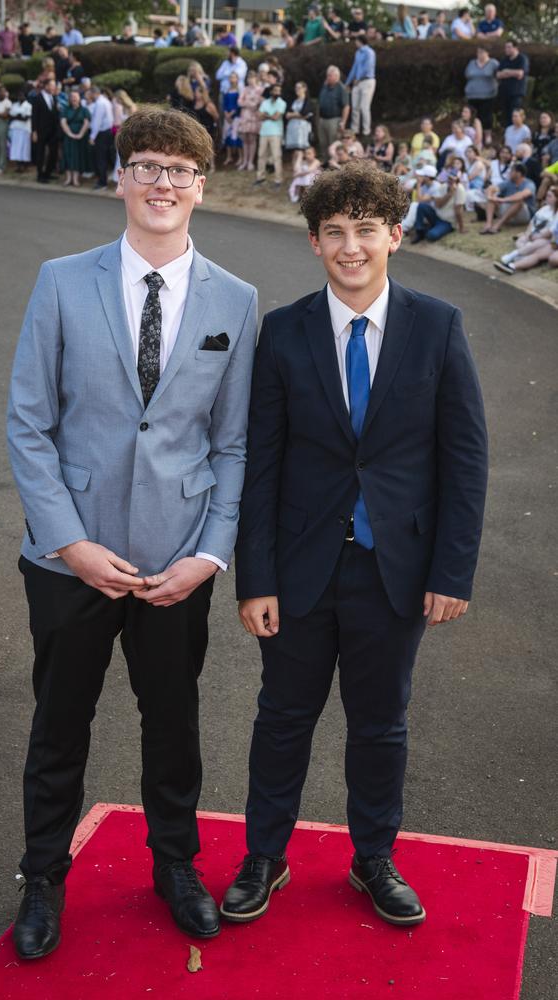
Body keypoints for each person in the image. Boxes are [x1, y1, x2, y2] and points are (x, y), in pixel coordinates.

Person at [7, 107, 257, 956]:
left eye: (180, 171)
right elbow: (29, 424)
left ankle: (176, 864)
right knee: (59, 722)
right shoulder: (60, 279)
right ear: (120, 177)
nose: (162, 183)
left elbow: (234, 442)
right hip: (69, 554)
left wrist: (209, 553)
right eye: (147, 166)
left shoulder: (238, 300)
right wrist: (69, 543)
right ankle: (42, 875)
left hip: (177, 558)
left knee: (174, 722)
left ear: (201, 188)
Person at [221, 161, 487, 929]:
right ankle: (264, 856)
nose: (350, 246)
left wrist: (451, 569)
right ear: (313, 241)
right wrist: (255, 577)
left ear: (395, 237)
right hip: (301, 571)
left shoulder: (438, 327)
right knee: (282, 719)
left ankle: (375, 857)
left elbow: (464, 460)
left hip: (394, 572)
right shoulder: (284, 330)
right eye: (334, 231)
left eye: (366, 230)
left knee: (381, 723)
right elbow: (262, 460)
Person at [494, 186, 558, 274]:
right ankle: (513, 265)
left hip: (546, 241)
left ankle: (514, 258)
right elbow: (535, 224)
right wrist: (528, 234)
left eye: (550, 196)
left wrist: (538, 237)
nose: (546, 197)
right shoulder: (545, 209)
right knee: (532, 250)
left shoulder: (556, 214)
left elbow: (549, 233)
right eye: (547, 195)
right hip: (551, 242)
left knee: (549, 258)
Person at [411, 161, 466, 241]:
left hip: (447, 222)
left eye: (453, 179)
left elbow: (458, 211)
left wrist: (461, 227)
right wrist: (449, 194)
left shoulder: (460, 189)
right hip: (437, 216)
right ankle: (420, 231)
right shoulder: (443, 186)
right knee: (421, 206)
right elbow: (438, 205)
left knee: (431, 236)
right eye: (450, 178)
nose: (451, 181)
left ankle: (428, 229)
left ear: (458, 180)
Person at [481, 161, 536, 234]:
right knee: (491, 200)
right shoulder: (508, 182)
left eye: (512, 171)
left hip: (524, 215)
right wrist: (489, 196)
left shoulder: (529, 183)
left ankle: (497, 225)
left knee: (519, 201)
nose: (509, 173)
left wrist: (501, 199)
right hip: (507, 211)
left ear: (518, 173)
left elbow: (522, 195)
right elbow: (491, 188)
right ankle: (488, 225)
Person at [464, 46, 499, 147]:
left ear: (487, 53)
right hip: (472, 95)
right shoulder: (472, 63)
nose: (480, 55)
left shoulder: (493, 63)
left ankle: (487, 135)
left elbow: (498, 75)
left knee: (486, 115)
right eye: (478, 52)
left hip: (488, 95)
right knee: (474, 116)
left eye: (482, 52)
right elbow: (467, 74)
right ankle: (474, 135)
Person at [254, 82, 286, 189]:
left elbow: (276, 117)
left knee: (276, 157)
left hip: (276, 133)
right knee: (261, 156)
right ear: (271, 91)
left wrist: (265, 115)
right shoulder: (265, 102)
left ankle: (278, 180)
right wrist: (269, 115)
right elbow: (259, 116)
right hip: (264, 132)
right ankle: (260, 178)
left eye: (279, 91)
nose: (277, 92)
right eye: (276, 90)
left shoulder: (282, 103)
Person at [345, 34, 376, 139]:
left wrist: (359, 77)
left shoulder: (369, 52)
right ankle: (355, 130)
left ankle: (366, 130)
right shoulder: (357, 53)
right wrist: (347, 82)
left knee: (364, 107)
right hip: (357, 82)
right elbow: (355, 67)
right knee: (355, 107)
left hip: (367, 80)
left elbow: (368, 66)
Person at [32, 76, 59, 184]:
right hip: (41, 130)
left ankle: (48, 173)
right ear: (46, 86)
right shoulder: (38, 98)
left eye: (54, 86)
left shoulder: (54, 97)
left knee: (53, 153)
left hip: (53, 131)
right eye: (52, 86)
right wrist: (34, 131)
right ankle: (40, 175)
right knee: (41, 153)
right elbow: (34, 116)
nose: (53, 88)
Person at [59, 88, 90, 185]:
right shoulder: (65, 110)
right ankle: (68, 178)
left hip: (80, 137)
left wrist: (80, 134)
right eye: (72, 97)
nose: (74, 99)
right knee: (67, 156)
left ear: (80, 98)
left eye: (76, 97)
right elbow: (63, 122)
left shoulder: (84, 110)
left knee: (77, 157)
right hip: (69, 137)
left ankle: (76, 179)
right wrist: (70, 134)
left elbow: (86, 123)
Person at [88, 85, 114, 190]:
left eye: (90, 94)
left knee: (100, 158)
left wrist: (92, 136)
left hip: (101, 133)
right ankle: (103, 180)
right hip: (108, 132)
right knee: (104, 157)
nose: (90, 96)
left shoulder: (99, 103)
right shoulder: (106, 101)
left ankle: (102, 182)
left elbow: (97, 122)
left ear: (94, 93)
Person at [318, 66, 349, 156]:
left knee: (333, 144)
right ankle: (325, 165)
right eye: (327, 75)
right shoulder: (324, 87)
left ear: (336, 76)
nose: (327, 78)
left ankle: (333, 166)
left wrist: (343, 122)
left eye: (329, 76)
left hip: (334, 120)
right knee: (323, 143)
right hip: (322, 119)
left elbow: (346, 107)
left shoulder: (341, 89)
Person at [496, 39, 528, 126]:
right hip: (504, 92)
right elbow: (498, 75)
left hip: (516, 93)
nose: (506, 49)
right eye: (506, 47)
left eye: (509, 47)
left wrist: (506, 71)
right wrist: (511, 73)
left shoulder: (522, 59)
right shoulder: (504, 60)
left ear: (515, 48)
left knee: (515, 115)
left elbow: (520, 74)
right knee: (505, 117)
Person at [284, 81, 314, 173]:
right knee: (294, 150)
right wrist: (298, 115)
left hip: (303, 128)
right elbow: (287, 115)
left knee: (300, 149)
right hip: (293, 127)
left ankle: (299, 169)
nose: (297, 90)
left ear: (304, 89)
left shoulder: (308, 101)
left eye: (299, 87)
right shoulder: (293, 101)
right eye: (296, 88)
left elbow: (305, 114)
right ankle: (295, 168)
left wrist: (294, 115)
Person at [237, 70, 264, 171]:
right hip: (245, 115)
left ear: (256, 79)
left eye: (252, 78)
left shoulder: (260, 89)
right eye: (249, 78)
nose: (250, 80)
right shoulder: (245, 89)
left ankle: (250, 162)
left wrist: (251, 104)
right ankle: (244, 161)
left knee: (252, 138)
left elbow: (260, 102)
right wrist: (248, 104)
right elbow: (239, 101)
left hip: (254, 116)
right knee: (245, 138)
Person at [222, 72, 243, 167]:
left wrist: (232, 113)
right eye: (230, 77)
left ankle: (240, 157)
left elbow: (239, 104)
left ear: (237, 79)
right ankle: (229, 156)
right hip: (227, 117)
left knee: (237, 136)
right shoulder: (227, 90)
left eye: (234, 77)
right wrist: (226, 113)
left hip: (236, 116)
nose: (232, 79)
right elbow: (224, 103)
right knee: (227, 135)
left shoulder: (239, 90)